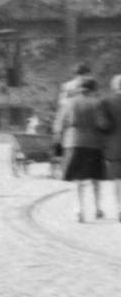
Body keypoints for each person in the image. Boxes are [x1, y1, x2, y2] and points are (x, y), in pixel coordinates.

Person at [56, 75, 112, 223]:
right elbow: (103, 124)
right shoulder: (97, 103)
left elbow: (59, 125)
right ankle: (97, 208)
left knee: (78, 179)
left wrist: (58, 146)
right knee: (95, 178)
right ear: (93, 89)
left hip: (73, 143)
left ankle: (78, 211)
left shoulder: (68, 103)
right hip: (94, 144)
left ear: (78, 89)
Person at [104, 76, 121, 222]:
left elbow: (103, 125)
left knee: (117, 179)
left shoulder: (107, 102)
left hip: (115, 146)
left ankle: (119, 208)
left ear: (113, 86)